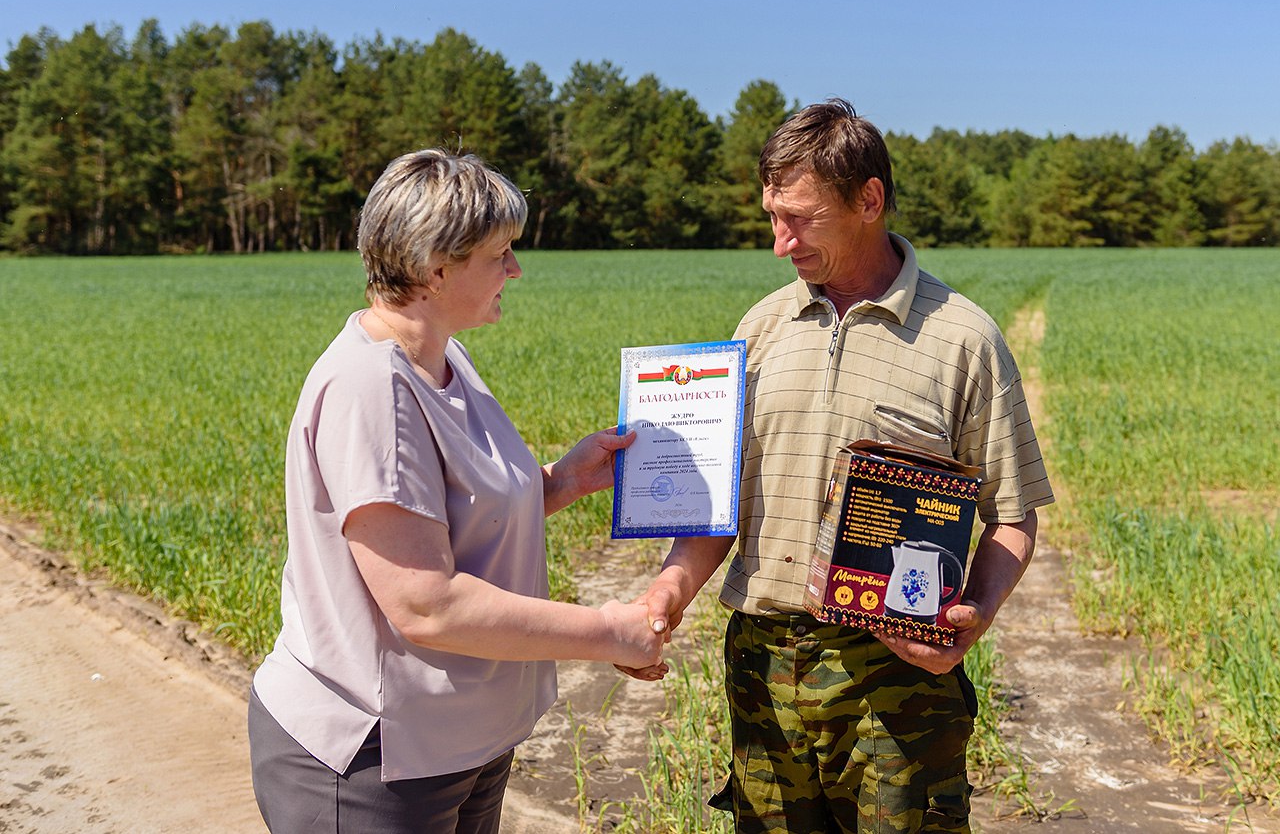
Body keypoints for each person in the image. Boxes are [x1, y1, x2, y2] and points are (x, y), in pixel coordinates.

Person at [626, 100, 1055, 833]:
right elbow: (719, 507)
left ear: (869, 200)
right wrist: (663, 597)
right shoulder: (759, 330)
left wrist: (974, 614)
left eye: (799, 217)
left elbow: (1013, 517)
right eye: (771, 214)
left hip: (897, 681)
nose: (777, 242)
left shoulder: (965, 340)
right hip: (762, 669)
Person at [249, 149, 668, 834]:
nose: (515, 270)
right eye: (500, 253)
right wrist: (611, 631)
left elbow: (455, 514)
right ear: (434, 267)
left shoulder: (445, 356)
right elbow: (427, 603)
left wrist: (565, 479)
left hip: (461, 741)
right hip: (374, 759)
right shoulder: (371, 386)